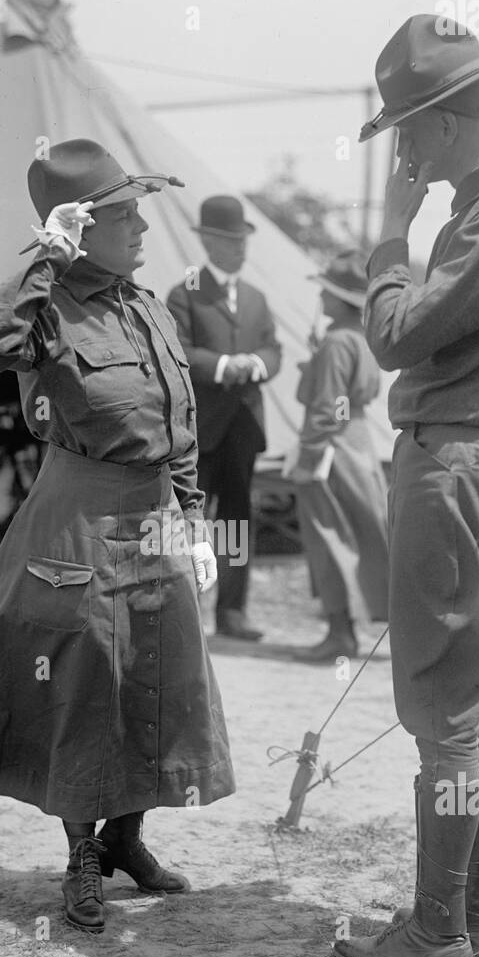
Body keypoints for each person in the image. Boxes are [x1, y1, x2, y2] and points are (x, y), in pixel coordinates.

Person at [0, 139, 236, 936]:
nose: (142, 228)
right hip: (76, 520)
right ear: (81, 228)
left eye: (139, 212)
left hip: (153, 519)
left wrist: (193, 516)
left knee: (158, 679)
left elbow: (182, 424)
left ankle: (128, 838)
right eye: (125, 215)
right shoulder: (46, 309)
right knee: (81, 685)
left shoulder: (149, 306)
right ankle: (80, 857)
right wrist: (43, 255)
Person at [332, 15, 479, 957]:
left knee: (445, 715)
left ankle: (437, 933)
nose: (400, 147)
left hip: (453, 469)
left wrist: (390, 231)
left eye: (404, 128)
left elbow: (395, 335)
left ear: (441, 123)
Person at [166, 196, 282, 642]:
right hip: (199, 428)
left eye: (243, 240)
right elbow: (179, 351)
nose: (240, 249)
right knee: (187, 520)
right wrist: (221, 366)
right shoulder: (187, 292)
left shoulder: (255, 298)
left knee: (236, 520)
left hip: (243, 428)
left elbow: (274, 350)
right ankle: (183, 611)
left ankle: (231, 614)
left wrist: (254, 363)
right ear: (209, 242)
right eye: (230, 241)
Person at [284, 250, 390, 662]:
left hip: (330, 448)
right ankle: (352, 628)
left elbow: (328, 407)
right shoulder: (360, 340)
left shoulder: (335, 343)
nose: (320, 299)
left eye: (325, 292)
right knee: (363, 536)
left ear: (339, 299)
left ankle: (340, 634)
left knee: (328, 538)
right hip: (358, 443)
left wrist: (308, 455)